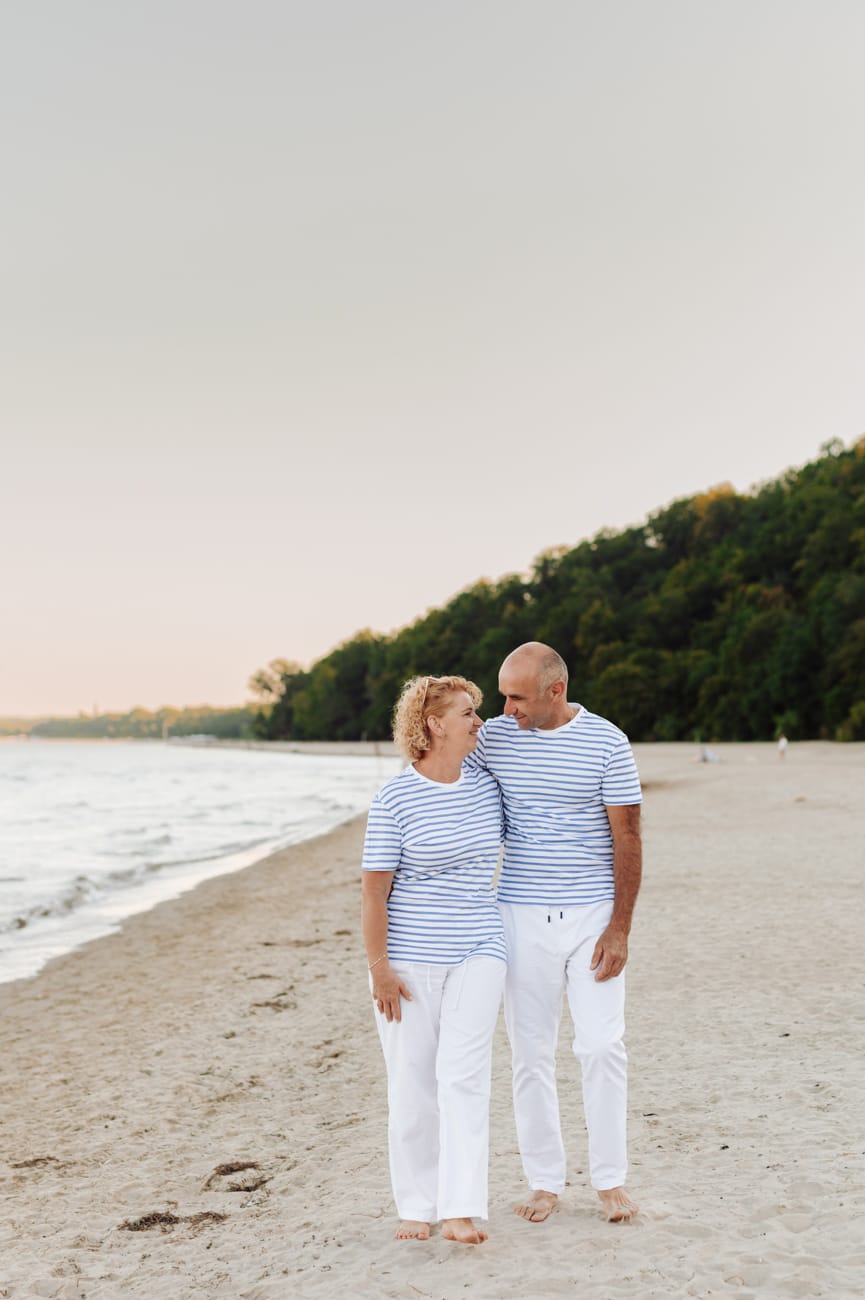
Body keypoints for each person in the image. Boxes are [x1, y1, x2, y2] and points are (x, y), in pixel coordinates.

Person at [468, 642, 642, 1224]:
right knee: (530, 1054)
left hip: (592, 914)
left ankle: (611, 1181)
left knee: (600, 1045)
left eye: (516, 696)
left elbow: (628, 839)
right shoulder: (494, 736)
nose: (505, 707)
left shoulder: (608, 742)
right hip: (518, 913)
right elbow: (443, 771)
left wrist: (619, 928)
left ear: (555, 691)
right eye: (502, 695)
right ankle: (544, 1182)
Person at [361, 675, 506, 1245]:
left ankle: (460, 1209)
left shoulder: (486, 785)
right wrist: (380, 970)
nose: (480, 721)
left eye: (478, 711)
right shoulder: (395, 798)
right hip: (408, 963)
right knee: (413, 1085)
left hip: (479, 950)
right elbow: (374, 892)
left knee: (463, 1079)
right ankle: (417, 1207)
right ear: (433, 724)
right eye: (468, 712)